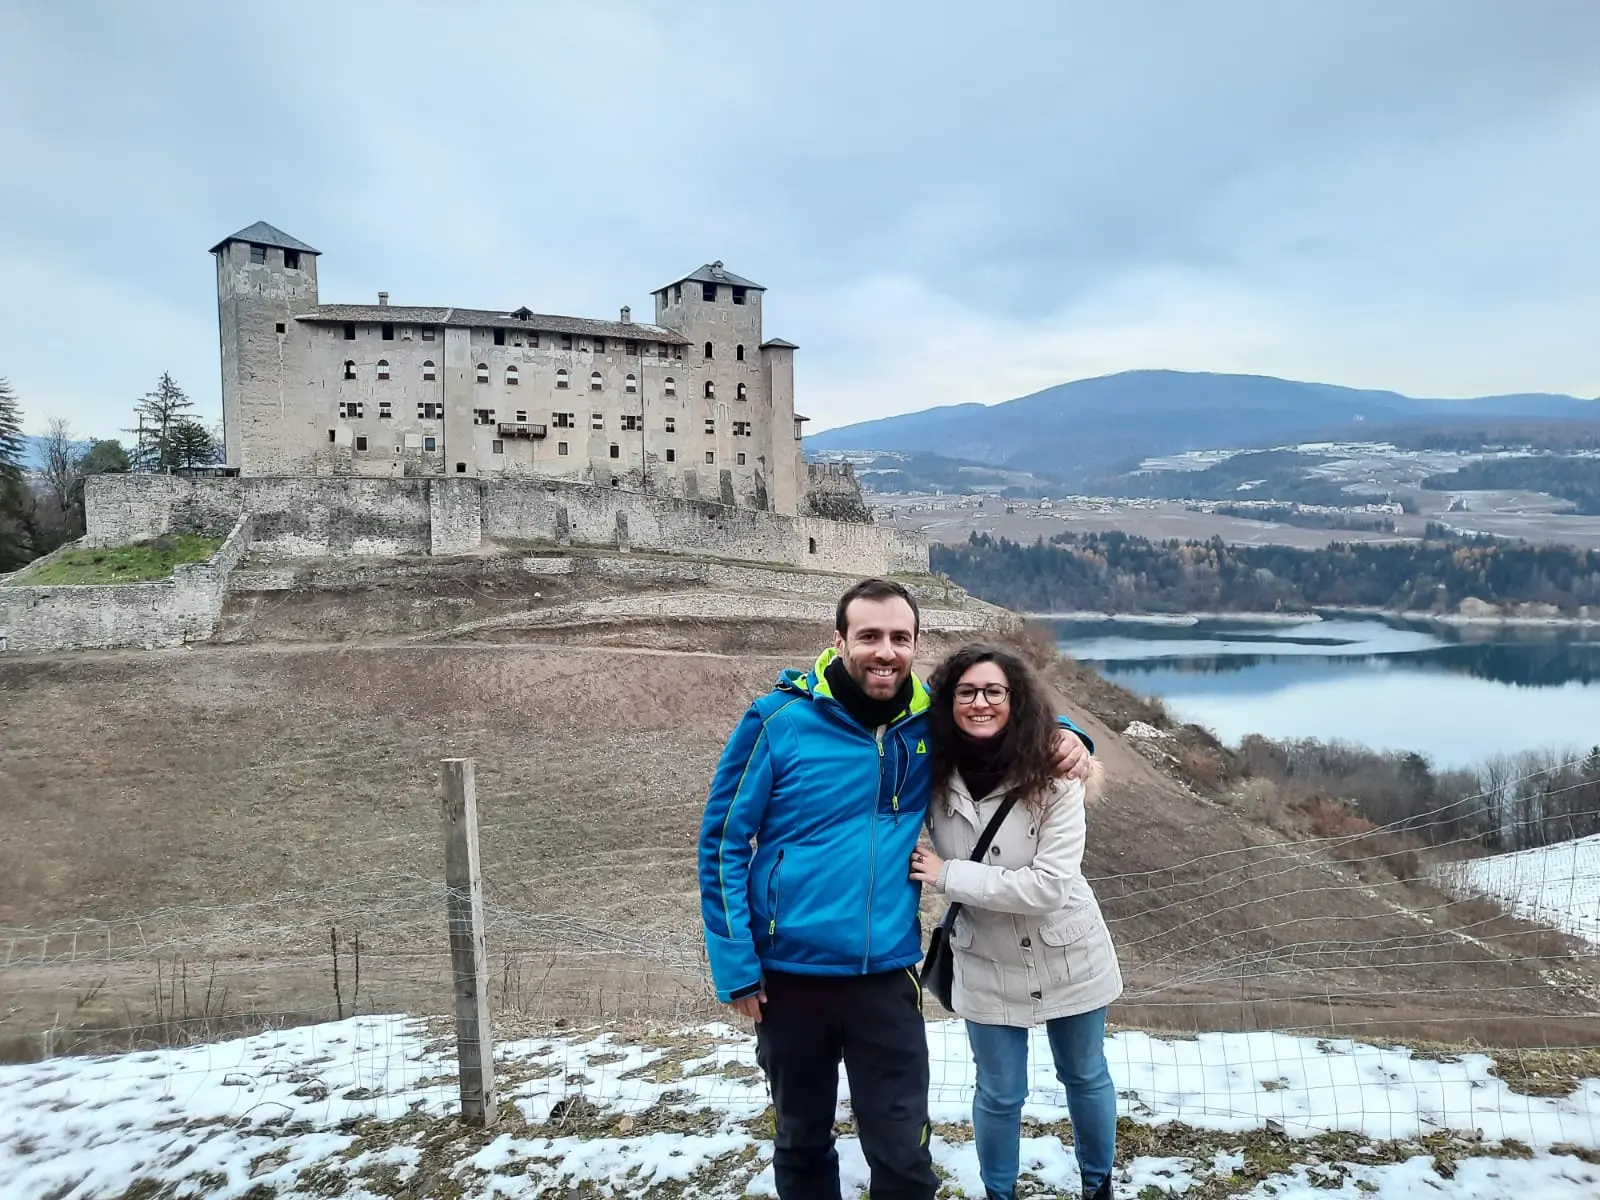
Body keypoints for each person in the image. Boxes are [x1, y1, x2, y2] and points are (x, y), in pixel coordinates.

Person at [698, 579, 1094, 1200]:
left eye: (899, 638)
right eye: (869, 636)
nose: (885, 651)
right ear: (839, 641)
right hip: (789, 975)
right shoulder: (777, 721)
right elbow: (722, 841)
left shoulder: (926, 723)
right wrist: (736, 967)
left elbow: (1000, 718)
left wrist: (1070, 735)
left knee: (905, 1148)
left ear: (914, 644)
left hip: (886, 972)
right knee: (801, 1140)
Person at [909, 643, 1122, 1200]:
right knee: (999, 1093)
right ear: (947, 701)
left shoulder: (1055, 774)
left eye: (993, 691)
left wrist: (948, 874)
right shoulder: (930, 773)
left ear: (1015, 699)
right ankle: (998, 1193)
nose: (980, 702)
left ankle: (1098, 1187)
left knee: (1085, 1076)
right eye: (966, 691)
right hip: (984, 956)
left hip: (1068, 951)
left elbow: (1050, 887)